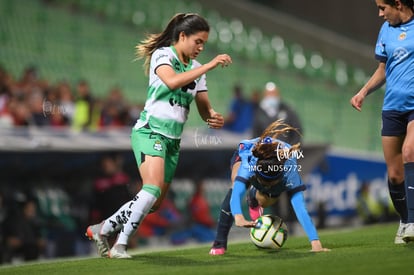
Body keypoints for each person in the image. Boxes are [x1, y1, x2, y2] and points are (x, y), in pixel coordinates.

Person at [85, 12, 232, 258]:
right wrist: (209, 64)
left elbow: (204, 109)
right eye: (198, 41)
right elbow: (172, 82)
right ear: (182, 36)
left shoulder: (197, 70)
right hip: (150, 131)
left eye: (204, 43)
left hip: (173, 141)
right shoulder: (162, 55)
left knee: (153, 203)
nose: (201, 47)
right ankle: (119, 245)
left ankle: (103, 228)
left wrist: (213, 116)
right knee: (151, 189)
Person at [209, 120, 330, 255]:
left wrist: (315, 243)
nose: (267, 185)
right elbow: (237, 194)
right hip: (247, 152)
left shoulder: (289, 168)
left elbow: (300, 207)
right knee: (234, 184)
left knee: (267, 200)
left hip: (272, 172)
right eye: (264, 183)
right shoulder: (249, 163)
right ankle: (219, 242)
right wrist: (238, 216)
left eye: (271, 183)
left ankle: (254, 197)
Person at [350, 0, 414, 244]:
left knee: (410, 151)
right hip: (392, 108)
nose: (379, 14)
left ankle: (413, 222)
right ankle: (405, 220)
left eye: (382, 7)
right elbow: (383, 69)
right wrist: (363, 92)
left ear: (397, 4)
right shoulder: (386, 29)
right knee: (395, 174)